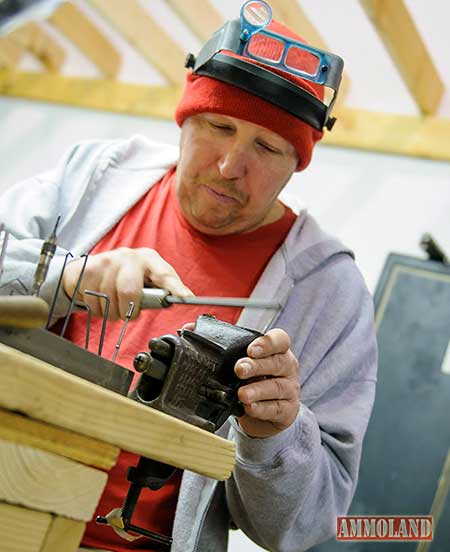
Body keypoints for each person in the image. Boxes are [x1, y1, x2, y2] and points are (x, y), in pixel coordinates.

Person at [0, 3, 377, 551]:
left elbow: (307, 526)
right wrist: (68, 276)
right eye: (218, 126)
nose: (229, 165)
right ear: (184, 119)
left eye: (266, 147)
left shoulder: (328, 291)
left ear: (297, 162)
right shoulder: (95, 175)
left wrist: (276, 434)